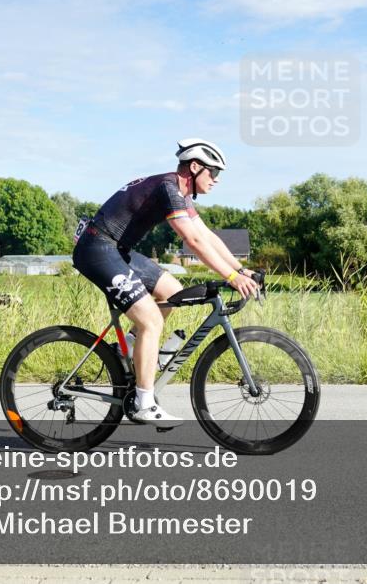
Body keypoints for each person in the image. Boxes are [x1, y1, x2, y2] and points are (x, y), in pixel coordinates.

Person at [72, 138, 259, 427]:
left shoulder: (179, 192)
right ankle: (143, 403)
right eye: (214, 173)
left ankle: (131, 349)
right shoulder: (169, 188)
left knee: (173, 292)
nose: (217, 180)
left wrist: (240, 269)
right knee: (151, 321)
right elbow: (192, 240)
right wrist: (231, 278)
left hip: (116, 249)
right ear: (195, 168)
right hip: (97, 249)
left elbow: (206, 234)